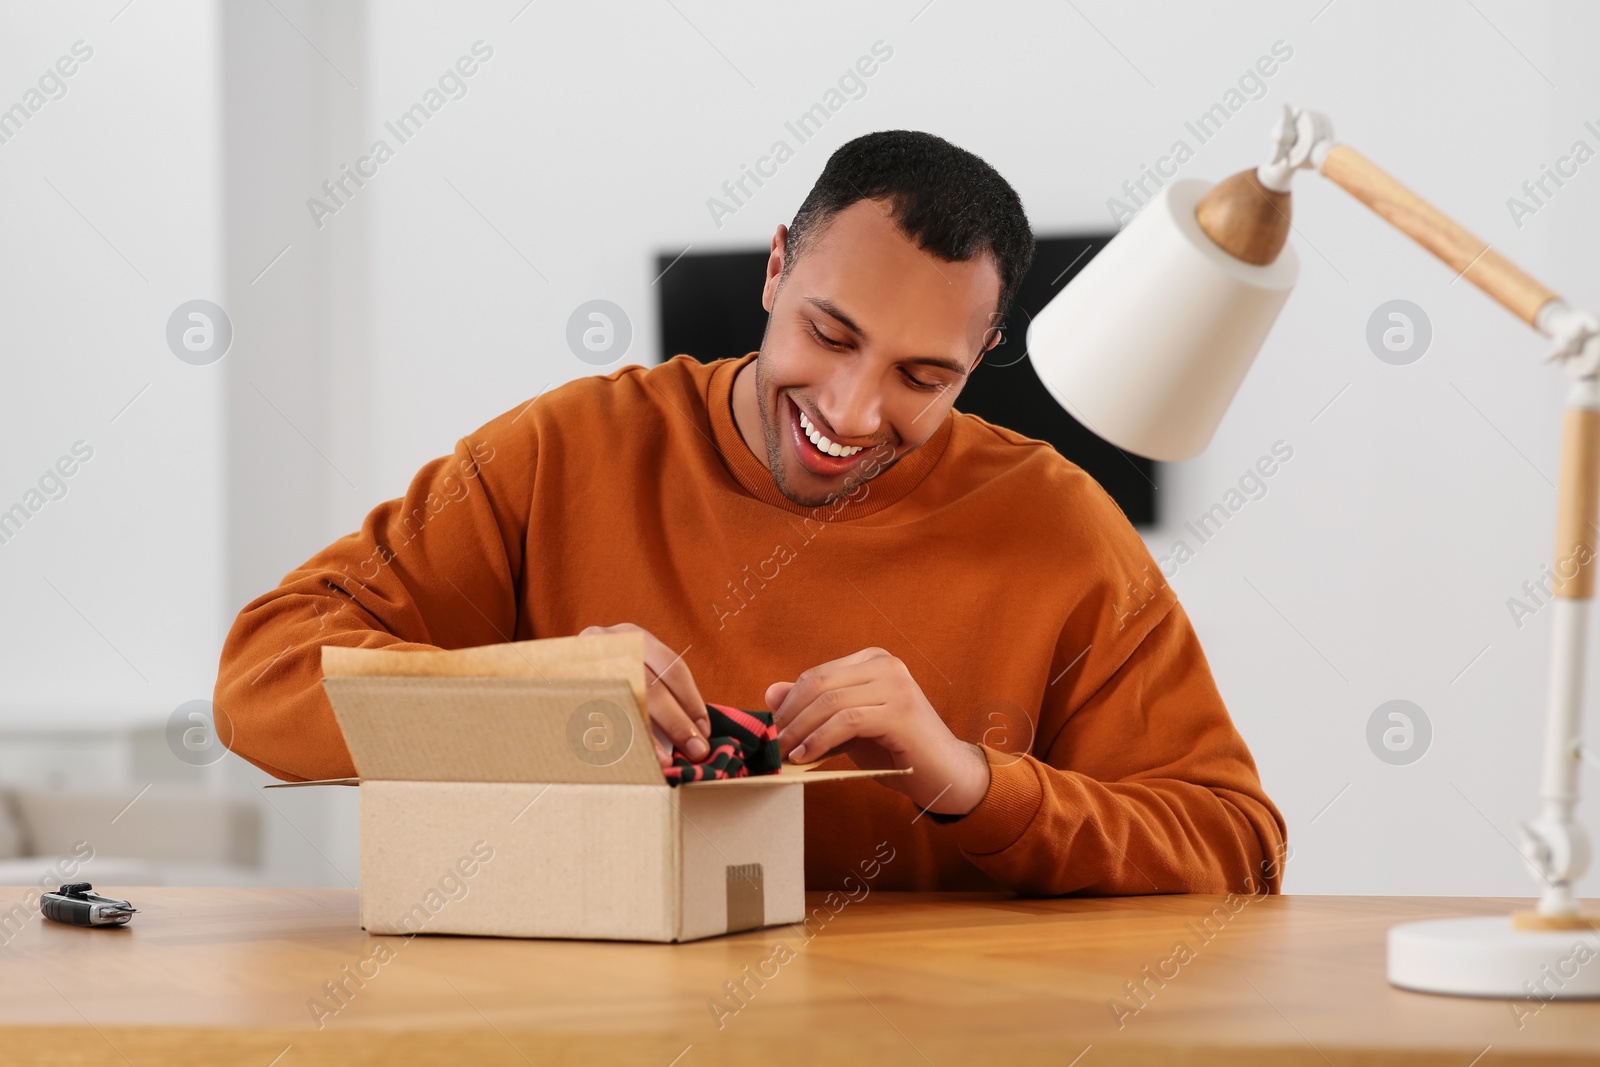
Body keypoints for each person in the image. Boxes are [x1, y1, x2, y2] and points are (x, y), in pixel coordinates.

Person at [215, 130, 1287, 896]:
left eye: (923, 374)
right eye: (830, 333)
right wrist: (539, 688)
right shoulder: (560, 451)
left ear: (981, 359)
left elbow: (1237, 845)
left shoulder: (1060, 525)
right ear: (777, 268)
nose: (854, 410)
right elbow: (260, 684)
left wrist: (970, 780)